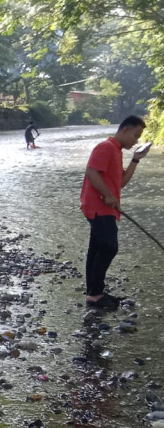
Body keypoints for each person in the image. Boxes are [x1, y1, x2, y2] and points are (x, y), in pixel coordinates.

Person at [80, 116, 151, 309]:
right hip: (98, 207)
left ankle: (94, 293)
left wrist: (136, 159)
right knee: (109, 247)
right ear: (125, 130)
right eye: (135, 135)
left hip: (104, 207)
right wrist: (108, 196)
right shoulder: (105, 147)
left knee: (97, 248)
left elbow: (120, 183)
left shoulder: (117, 151)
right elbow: (91, 172)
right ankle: (95, 294)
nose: (136, 140)